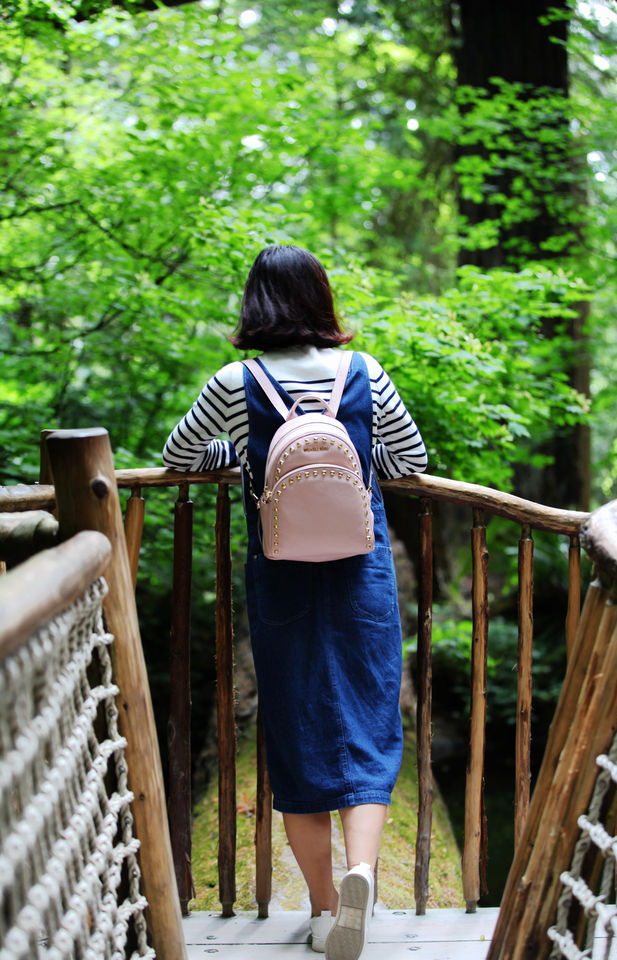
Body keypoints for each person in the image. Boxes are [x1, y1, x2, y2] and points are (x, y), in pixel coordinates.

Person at [163, 245, 428, 960]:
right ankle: (362, 874)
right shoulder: (366, 373)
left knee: (296, 729)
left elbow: (179, 456)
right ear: (320, 300)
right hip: (360, 573)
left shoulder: (235, 380)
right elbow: (411, 463)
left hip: (278, 571)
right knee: (371, 722)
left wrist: (241, 459)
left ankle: (320, 911)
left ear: (256, 302)